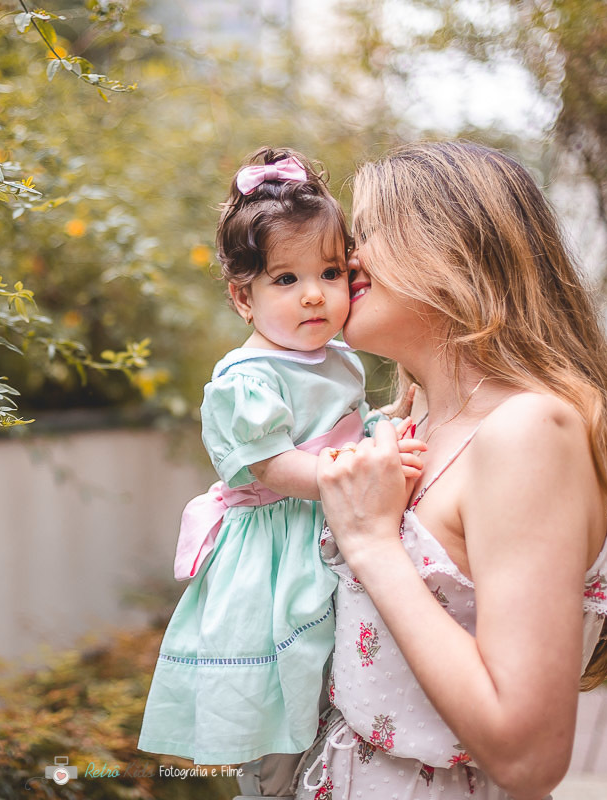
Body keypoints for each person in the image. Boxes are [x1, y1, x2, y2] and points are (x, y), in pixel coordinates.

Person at [296, 140, 607, 800]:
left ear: (453, 245)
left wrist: (370, 543)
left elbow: (528, 757)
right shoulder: (409, 426)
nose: (344, 259)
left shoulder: (527, 431)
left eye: (367, 232)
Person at [137, 147, 423, 794]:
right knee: (278, 696)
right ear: (244, 298)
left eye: (330, 272)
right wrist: (363, 465)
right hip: (273, 549)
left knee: (333, 682)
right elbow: (276, 465)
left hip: (320, 526)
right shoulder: (248, 378)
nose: (315, 294)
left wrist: (384, 423)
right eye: (287, 279)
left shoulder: (337, 357)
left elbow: (338, 426)